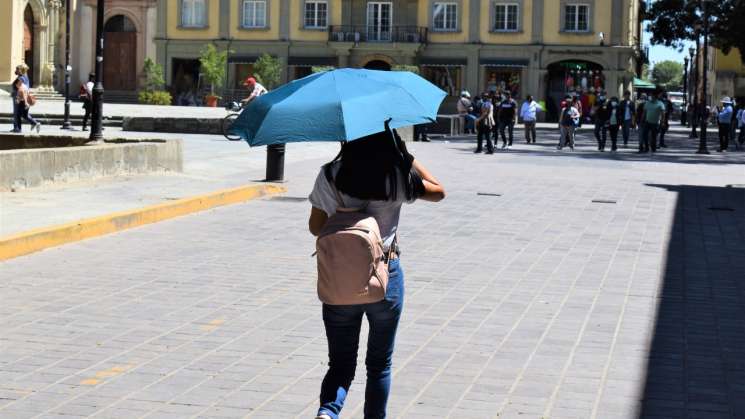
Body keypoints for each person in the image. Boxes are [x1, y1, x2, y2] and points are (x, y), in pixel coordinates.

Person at [308, 128, 445, 419]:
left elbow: (316, 227)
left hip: (340, 278)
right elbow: (438, 191)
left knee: (341, 363)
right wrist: (407, 157)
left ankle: (327, 414)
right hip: (386, 275)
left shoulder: (331, 174)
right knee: (379, 364)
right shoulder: (396, 172)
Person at [10, 65, 30, 133]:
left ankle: (17, 128)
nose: (16, 70)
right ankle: (17, 128)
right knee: (18, 113)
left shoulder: (21, 78)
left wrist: (17, 97)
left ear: (20, 70)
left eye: (17, 69)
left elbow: (20, 89)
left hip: (19, 97)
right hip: (18, 97)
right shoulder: (21, 77)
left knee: (17, 113)